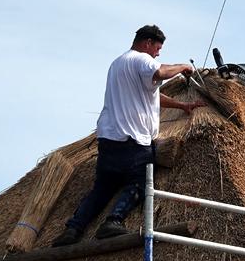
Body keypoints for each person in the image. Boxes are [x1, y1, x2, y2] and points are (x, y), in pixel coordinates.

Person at [53, 25, 205, 246]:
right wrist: (183, 67)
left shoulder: (117, 64)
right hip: (133, 140)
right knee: (141, 182)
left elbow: (150, 95)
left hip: (108, 141)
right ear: (147, 43)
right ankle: (113, 221)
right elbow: (160, 72)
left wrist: (181, 105)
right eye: (157, 49)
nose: (157, 54)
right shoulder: (141, 59)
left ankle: (73, 228)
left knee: (102, 189)